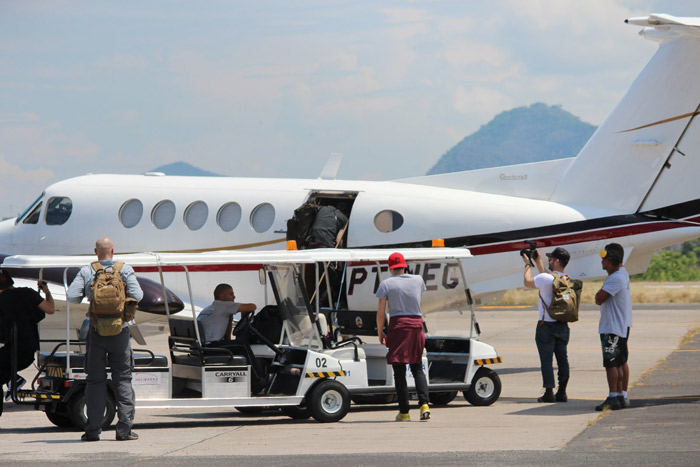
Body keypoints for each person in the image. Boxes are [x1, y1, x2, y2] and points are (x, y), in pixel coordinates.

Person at [67, 237, 143, 442]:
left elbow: (71, 297)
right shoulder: (124, 269)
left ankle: (92, 431)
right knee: (123, 380)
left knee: (95, 382)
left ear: (95, 251)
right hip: (121, 332)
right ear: (113, 250)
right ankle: (124, 430)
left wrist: (91, 296)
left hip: (97, 332)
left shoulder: (87, 270)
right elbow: (139, 295)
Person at [376, 252, 430, 422]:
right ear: (405, 265)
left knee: (399, 371)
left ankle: (404, 412)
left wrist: (380, 332)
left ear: (390, 267)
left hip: (398, 326)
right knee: (416, 366)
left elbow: (381, 313)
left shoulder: (386, 284)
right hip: (416, 325)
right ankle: (424, 405)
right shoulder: (418, 280)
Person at [0, 270, 54, 412]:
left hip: (14, 352)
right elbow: (50, 309)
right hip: (28, 351)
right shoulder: (28, 293)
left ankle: (14, 380)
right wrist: (47, 292)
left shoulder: (1, 300)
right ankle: (12, 379)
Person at [523, 247, 571, 403]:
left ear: (557, 261)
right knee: (562, 359)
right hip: (563, 325)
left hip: (546, 326)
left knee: (546, 360)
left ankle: (549, 392)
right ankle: (562, 392)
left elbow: (528, 282)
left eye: (550, 259)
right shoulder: (567, 279)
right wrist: (538, 261)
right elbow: (546, 276)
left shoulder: (545, 279)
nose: (548, 261)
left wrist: (527, 265)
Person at [594, 242, 633, 411]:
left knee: (611, 364)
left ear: (609, 261)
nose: (602, 263)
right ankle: (622, 395)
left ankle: (613, 397)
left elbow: (599, 298)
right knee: (621, 362)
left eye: (604, 260)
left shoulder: (615, 278)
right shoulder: (622, 273)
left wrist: (599, 291)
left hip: (612, 327)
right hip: (622, 325)